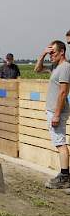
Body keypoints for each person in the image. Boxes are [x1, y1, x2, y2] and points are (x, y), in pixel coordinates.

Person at [35, 40, 70, 189]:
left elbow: (63, 92)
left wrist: (56, 114)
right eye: (50, 53)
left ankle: (64, 176)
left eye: (53, 53)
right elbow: (37, 70)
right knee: (58, 142)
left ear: (62, 52)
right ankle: (65, 175)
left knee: (60, 142)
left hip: (58, 112)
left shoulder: (65, 67)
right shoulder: (55, 67)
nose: (51, 56)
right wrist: (43, 54)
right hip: (53, 111)